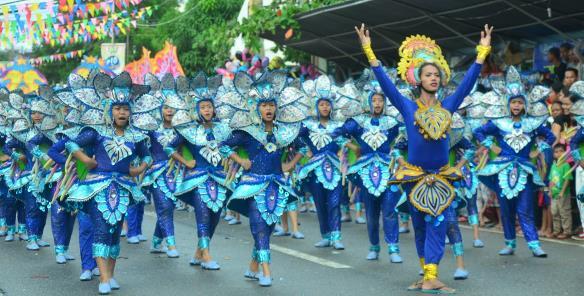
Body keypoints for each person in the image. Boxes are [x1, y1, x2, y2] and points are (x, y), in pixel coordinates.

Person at [355, 23, 492, 294]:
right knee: (419, 226)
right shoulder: (407, 106)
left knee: (438, 223)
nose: (434, 78)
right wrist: (368, 50)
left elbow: (466, 86)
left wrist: (481, 54)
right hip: (413, 176)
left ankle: (432, 276)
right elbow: (385, 83)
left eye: (437, 75)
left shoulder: (448, 106)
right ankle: (427, 275)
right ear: (418, 78)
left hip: (441, 176)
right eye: (428, 75)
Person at [55, 72, 152, 294]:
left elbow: (147, 155)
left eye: (125, 109)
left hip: (124, 188)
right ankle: (104, 279)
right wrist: (86, 160)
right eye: (118, 108)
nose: (122, 112)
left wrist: (139, 168)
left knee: (115, 232)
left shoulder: (136, 135)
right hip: (97, 187)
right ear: (109, 109)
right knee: (100, 230)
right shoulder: (96, 132)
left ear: (131, 112)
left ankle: (111, 274)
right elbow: (69, 143)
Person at [218, 71, 308, 287]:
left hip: (277, 186)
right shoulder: (247, 132)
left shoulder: (284, 132)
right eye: (264, 105)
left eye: (271, 105)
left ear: (277, 108)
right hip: (253, 186)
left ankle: (253, 266)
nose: (268, 109)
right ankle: (266, 271)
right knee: (259, 227)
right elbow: (222, 146)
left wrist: (289, 164)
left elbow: (303, 147)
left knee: (267, 228)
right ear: (256, 107)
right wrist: (240, 159)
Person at [474, 66, 555, 258]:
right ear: (508, 104)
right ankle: (509, 243)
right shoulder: (499, 122)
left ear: (525, 104)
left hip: (525, 170)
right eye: (513, 103)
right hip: (503, 169)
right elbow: (479, 132)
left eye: (520, 102)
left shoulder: (533, 124)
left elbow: (550, 136)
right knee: (506, 209)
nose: (517, 106)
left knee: (525, 208)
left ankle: (534, 244)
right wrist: (491, 146)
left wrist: (538, 150)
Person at [167, 73, 233, 269]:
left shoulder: (224, 129)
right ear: (197, 109)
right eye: (203, 107)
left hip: (220, 179)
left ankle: (199, 252)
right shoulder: (188, 130)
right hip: (198, 179)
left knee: (214, 216)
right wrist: (186, 161)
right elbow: (169, 148)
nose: (207, 110)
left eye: (209, 106)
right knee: (203, 215)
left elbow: (232, 147)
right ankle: (206, 256)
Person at [296, 75, 347, 249]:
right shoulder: (308, 125)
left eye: (327, 104)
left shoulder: (338, 125)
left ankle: (337, 236)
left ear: (332, 106)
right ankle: (325, 235)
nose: (325, 107)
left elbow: (345, 140)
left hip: (335, 168)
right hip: (315, 169)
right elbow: (294, 137)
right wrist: (305, 150)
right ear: (316, 106)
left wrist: (342, 150)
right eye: (322, 104)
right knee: (320, 203)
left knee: (334, 202)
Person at [140, 73, 183, 258]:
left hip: (178, 172)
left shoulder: (183, 128)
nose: (169, 111)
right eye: (166, 107)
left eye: (173, 107)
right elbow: (140, 147)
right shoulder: (151, 128)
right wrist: (145, 162)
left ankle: (157, 240)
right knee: (164, 206)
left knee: (169, 206)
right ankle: (171, 245)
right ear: (159, 108)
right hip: (157, 172)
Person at [549, 143, 573, 239]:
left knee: (564, 212)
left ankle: (567, 231)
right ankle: (556, 230)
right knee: (555, 212)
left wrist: (562, 191)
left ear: (565, 153)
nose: (559, 154)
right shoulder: (553, 166)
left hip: (563, 193)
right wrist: (550, 190)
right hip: (554, 193)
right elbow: (551, 179)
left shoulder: (566, 165)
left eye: (561, 151)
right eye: (556, 152)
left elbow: (567, 179)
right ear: (553, 154)